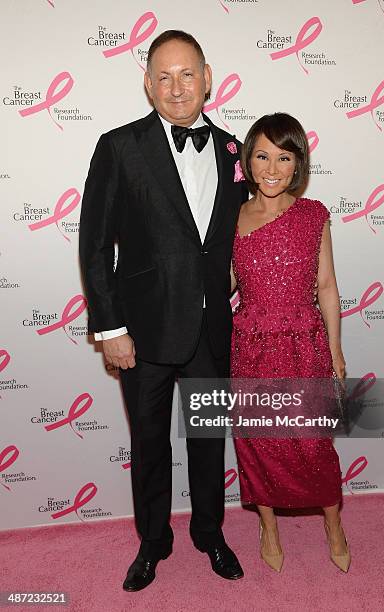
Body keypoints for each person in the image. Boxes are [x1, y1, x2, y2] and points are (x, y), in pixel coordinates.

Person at [79, 30, 248, 592]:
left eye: (188, 74)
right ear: (148, 84)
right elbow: (95, 245)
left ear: (208, 78)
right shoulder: (119, 146)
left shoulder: (233, 151)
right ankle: (153, 542)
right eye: (164, 76)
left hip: (210, 329)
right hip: (142, 332)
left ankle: (210, 532)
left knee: (207, 440)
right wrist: (110, 329)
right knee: (150, 444)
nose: (177, 87)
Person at [230, 113, 350, 573]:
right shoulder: (234, 217)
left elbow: (326, 287)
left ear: (298, 163)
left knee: (314, 444)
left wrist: (336, 353)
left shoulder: (313, 214)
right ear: (248, 159)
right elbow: (223, 285)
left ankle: (334, 525)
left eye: (284, 157)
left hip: (305, 345)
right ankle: (269, 527)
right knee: (260, 443)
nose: (272, 168)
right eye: (262, 155)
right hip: (253, 347)